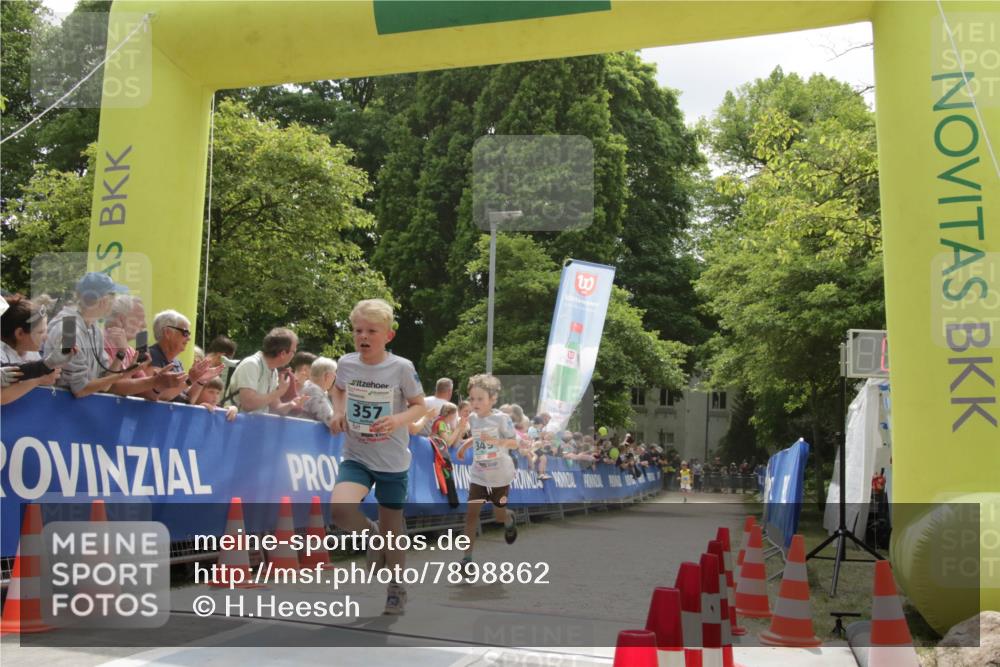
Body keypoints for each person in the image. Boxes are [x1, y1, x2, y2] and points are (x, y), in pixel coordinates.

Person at [328, 299, 426, 615]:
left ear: (388, 336)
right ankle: (372, 536)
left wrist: (397, 420)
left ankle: (396, 587)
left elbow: (420, 405)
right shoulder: (346, 363)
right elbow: (337, 389)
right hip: (356, 453)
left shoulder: (401, 368)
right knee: (340, 510)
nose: (363, 337)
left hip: (392, 460)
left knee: (393, 529)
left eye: (371, 331)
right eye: (358, 330)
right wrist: (338, 411)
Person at [455, 374, 519, 575]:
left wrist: (494, 442)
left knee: (498, 515)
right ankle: (467, 560)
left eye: (480, 399)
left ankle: (508, 520)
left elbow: (513, 443)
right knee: (471, 515)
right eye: (472, 399)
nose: (475, 403)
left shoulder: (502, 418)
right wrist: (465, 446)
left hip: (500, 475)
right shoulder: (472, 418)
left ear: (492, 399)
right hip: (479, 474)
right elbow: (477, 437)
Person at [44, 272, 130, 398]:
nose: (115, 302)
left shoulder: (94, 329)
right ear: (104, 301)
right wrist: (123, 374)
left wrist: (121, 353)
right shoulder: (68, 328)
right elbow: (80, 389)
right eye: (113, 296)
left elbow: (104, 385)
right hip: (59, 410)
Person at [104, 296, 186, 400]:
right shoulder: (100, 343)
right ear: (121, 319)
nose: (144, 324)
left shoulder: (131, 351)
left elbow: (149, 394)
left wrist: (159, 384)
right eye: (139, 318)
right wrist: (155, 381)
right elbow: (111, 387)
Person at [1, 295, 65, 404]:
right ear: (20, 333)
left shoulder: (32, 353)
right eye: (40, 332)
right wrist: (39, 380)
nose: (46, 337)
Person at [148, 310, 222, 403]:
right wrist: (190, 379)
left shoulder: (177, 363)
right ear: (167, 332)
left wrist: (200, 381)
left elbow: (187, 400)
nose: (189, 338)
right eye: (185, 332)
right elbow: (160, 394)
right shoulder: (150, 356)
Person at [227, 327, 305, 415]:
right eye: (293, 352)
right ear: (283, 354)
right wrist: (278, 392)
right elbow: (248, 404)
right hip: (233, 424)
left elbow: (277, 407)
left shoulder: (273, 371)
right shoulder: (251, 364)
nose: (293, 356)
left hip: (253, 426)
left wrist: (291, 405)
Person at [301, 356, 337, 425]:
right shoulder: (314, 391)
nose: (334, 379)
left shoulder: (308, 385)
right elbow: (331, 420)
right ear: (327, 376)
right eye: (334, 376)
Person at [281, 350, 317, 416]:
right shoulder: (286, 381)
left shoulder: (310, 386)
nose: (316, 373)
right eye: (314, 369)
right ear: (305, 369)